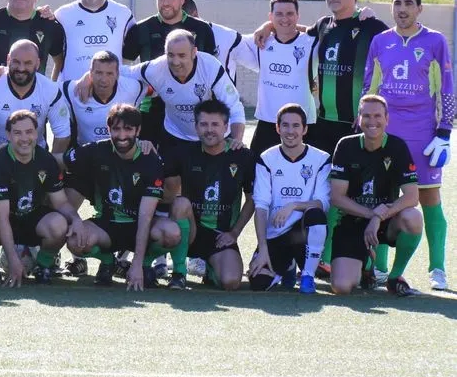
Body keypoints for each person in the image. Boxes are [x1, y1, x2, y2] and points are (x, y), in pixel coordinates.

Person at [364, 0, 453, 290]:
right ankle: (378, 268)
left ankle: (437, 269)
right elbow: (369, 88)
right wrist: (363, 125)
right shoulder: (380, 42)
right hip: (385, 133)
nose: (402, 8)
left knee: (428, 197)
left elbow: (447, 88)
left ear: (419, 8)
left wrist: (444, 132)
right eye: (397, 3)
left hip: (422, 134)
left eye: (408, 3)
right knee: (384, 196)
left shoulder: (435, 41)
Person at [62, 104, 189, 290]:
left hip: (140, 224)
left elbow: (145, 217)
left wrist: (137, 264)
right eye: (116, 129)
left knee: (171, 233)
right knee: (75, 240)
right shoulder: (96, 150)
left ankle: (148, 264)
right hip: (107, 224)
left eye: (128, 129)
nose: (122, 136)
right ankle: (107, 260)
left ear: (138, 130)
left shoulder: (150, 159)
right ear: (108, 129)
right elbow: (58, 161)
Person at [0, 110, 86, 285]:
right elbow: (1, 217)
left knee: (59, 223)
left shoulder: (46, 160)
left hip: (33, 218)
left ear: (37, 133)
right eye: (17, 133)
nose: (24, 138)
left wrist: (76, 219)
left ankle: (43, 266)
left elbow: (61, 202)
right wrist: (13, 261)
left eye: (29, 132)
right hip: (4, 220)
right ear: (8, 135)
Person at [0, 40, 72, 211]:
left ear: (37, 63)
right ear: (8, 60)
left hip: (32, 153)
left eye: (28, 63)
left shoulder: (50, 90)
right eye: (16, 62)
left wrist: (51, 166)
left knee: (44, 205)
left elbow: (62, 133)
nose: (21, 68)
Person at [328, 95, 423, 297]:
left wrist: (379, 217)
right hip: (352, 221)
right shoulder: (346, 146)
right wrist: (372, 214)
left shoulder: (397, 147)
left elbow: (411, 197)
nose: (373, 122)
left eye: (378, 116)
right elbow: (337, 197)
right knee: (342, 287)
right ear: (358, 118)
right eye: (367, 116)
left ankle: (394, 277)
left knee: (413, 217)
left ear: (387, 119)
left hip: (386, 221)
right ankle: (366, 267)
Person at [162, 100, 256, 290]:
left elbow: (252, 199)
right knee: (180, 204)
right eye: (203, 124)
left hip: (220, 235)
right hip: (190, 230)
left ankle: (211, 268)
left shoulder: (243, 156)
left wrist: (234, 233)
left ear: (226, 127)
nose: (209, 130)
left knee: (230, 282)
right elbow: (163, 191)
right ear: (196, 127)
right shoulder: (184, 153)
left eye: (215, 124)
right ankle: (179, 272)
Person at [123, 0, 217, 144]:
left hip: (194, 112)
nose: (165, 2)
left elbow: (213, 72)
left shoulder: (202, 30)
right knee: (151, 165)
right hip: (152, 110)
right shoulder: (141, 29)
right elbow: (124, 67)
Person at [249, 104, 331, 294]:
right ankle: (286, 267)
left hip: (303, 236)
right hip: (276, 235)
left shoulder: (321, 159)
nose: (290, 131)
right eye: (285, 125)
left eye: (296, 126)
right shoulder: (266, 158)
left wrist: (293, 205)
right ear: (277, 128)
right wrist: (262, 249)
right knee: (258, 283)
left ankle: (308, 275)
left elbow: (322, 203)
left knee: (316, 215)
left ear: (305, 129)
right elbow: (260, 206)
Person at [127, 29, 246, 150]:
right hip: (175, 134)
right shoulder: (155, 68)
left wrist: (236, 140)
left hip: (214, 137)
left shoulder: (211, 67)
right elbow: (121, 73)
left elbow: (234, 106)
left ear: (194, 52)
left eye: (182, 55)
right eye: (170, 55)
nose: (176, 62)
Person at [237, 0, 317, 157]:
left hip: (302, 125)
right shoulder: (260, 42)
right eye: (279, 14)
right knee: (255, 175)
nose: (285, 18)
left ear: (297, 16)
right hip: (268, 123)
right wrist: (268, 27)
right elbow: (227, 39)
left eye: (290, 14)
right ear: (270, 16)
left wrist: (269, 25)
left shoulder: (312, 43)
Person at [55, 0, 134, 81]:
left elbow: (130, 56)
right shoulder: (62, 15)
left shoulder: (124, 14)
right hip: (72, 96)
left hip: (112, 96)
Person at [62, 50, 147, 148]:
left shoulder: (134, 88)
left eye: (109, 73)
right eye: (98, 73)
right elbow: (48, 90)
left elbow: (156, 86)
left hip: (122, 153)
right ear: (90, 73)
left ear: (117, 74)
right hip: (86, 153)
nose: (103, 79)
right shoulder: (72, 90)